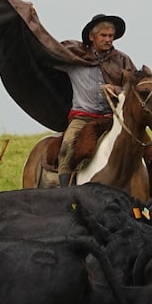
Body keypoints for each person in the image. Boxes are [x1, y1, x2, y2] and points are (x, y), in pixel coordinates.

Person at [54, 13, 136, 185]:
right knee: (67, 147)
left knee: (149, 152)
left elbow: (135, 88)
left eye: (111, 36)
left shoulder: (122, 60)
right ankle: (65, 193)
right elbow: (45, 49)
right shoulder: (75, 57)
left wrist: (116, 89)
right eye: (103, 35)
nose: (108, 40)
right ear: (92, 36)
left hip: (114, 119)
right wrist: (31, 19)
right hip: (82, 118)